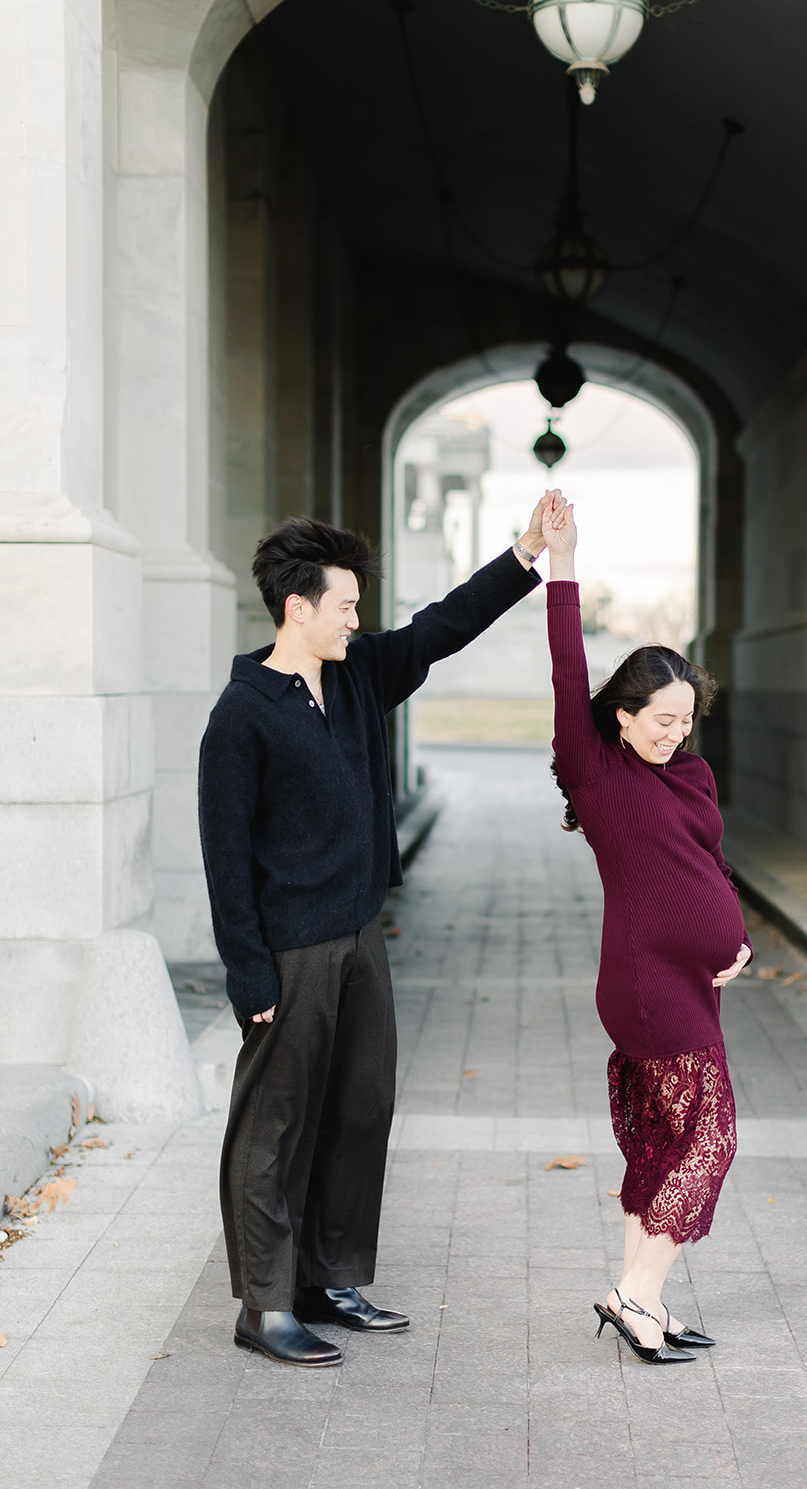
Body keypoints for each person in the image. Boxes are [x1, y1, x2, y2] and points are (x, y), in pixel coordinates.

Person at [198, 497, 557, 1366]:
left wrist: (526, 552)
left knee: (360, 1109)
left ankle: (329, 1275)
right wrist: (249, 977)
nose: (358, 620)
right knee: (272, 1127)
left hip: (360, 934)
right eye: (346, 606)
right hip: (289, 953)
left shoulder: (358, 675)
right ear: (298, 608)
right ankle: (266, 1304)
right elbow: (224, 856)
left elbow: (442, 627)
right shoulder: (241, 715)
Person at [542, 497, 751, 1365]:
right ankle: (637, 1294)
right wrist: (563, 564)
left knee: (670, 1138)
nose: (674, 733)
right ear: (622, 715)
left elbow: (704, 861)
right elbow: (564, 670)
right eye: (659, 719)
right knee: (712, 1136)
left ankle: (641, 1302)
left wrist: (730, 937)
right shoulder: (594, 772)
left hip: (691, 980)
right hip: (644, 984)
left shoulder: (690, 774)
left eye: (684, 720)